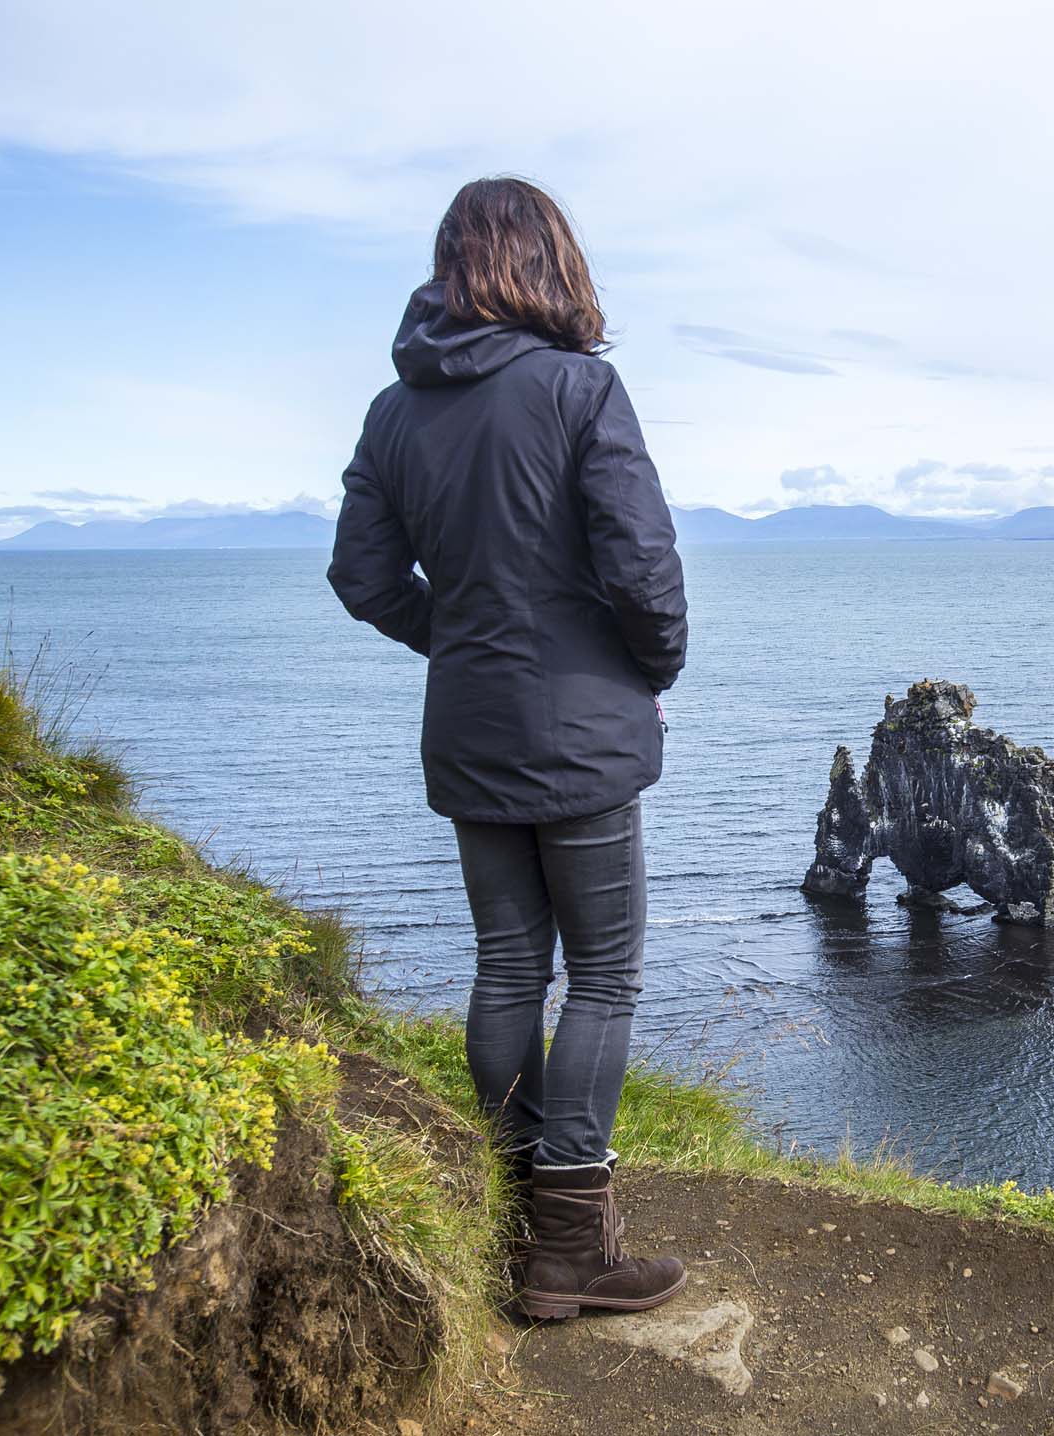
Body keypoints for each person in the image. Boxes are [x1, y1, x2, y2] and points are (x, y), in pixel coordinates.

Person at [328, 176, 689, 1318]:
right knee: (608, 975)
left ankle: (518, 1199)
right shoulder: (582, 388)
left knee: (506, 966)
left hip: (471, 726)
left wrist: (463, 636)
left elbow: (363, 575)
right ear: (550, 263)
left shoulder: (394, 411)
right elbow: (642, 569)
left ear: (451, 266)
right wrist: (650, 669)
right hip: (582, 731)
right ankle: (572, 1246)